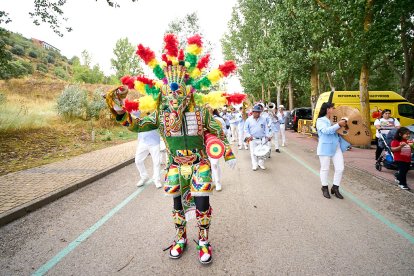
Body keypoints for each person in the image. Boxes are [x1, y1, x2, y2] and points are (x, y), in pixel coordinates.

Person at [104, 34, 237, 264]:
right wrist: (118, 109)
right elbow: (135, 124)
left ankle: (204, 241)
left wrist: (227, 151)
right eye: (171, 92)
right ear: (164, 93)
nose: (175, 95)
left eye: (179, 91)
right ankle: (180, 238)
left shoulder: (202, 112)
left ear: (188, 90)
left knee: (203, 205)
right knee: (176, 205)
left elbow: (217, 130)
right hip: (175, 165)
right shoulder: (159, 115)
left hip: (199, 164)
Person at [316, 102, 349, 199]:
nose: (334, 109)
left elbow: (342, 131)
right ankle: (324, 187)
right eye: (332, 108)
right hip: (325, 147)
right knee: (325, 168)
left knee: (340, 168)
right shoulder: (320, 120)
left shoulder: (337, 119)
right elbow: (325, 131)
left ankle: (335, 187)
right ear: (327, 109)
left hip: (336, 146)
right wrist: (338, 124)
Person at [244, 105, 271, 170]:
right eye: (256, 112)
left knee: (262, 152)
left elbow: (266, 128)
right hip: (252, 139)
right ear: (253, 112)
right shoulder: (248, 120)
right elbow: (245, 129)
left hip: (262, 139)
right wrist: (248, 136)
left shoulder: (263, 119)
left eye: (259, 112)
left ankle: (261, 164)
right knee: (253, 153)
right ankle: (255, 165)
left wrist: (268, 136)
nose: (257, 113)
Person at [209, 109, 227, 191]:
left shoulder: (219, 120)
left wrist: (219, 136)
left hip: (215, 145)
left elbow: (225, 132)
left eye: (208, 108)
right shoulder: (200, 118)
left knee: (215, 164)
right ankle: (212, 181)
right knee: (208, 165)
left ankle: (218, 182)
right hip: (203, 145)